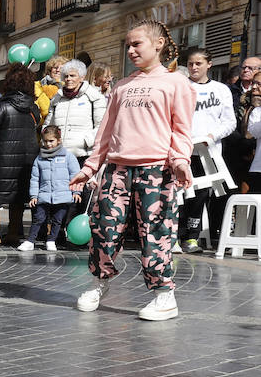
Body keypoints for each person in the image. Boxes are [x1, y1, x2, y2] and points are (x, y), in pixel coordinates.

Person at [70, 20, 195, 321]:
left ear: (159, 44)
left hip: (156, 171)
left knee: (157, 232)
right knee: (104, 230)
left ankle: (164, 295)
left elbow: (182, 129)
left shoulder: (177, 83)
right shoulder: (122, 86)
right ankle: (99, 283)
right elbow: (105, 131)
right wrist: (90, 168)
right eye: (128, 45)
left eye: (136, 44)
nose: (130, 50)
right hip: (116, 169)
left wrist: (180, 161)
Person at [178, 47, 236, 254]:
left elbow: (230, 122)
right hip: (182, 151)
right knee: (179, 194)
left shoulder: (221, 90)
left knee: (201, 194)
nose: (194, 67)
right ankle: (176, 236)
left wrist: (212, 136)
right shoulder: (181, 86)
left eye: (198, 63)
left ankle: (192, 238)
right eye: (191, 64)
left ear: (209, 65)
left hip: (209, 152)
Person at [0, 65, 41, 247]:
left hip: (2, 159)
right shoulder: (33, 107)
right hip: (27, 159)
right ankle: (13, 233)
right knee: (18, 197)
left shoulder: (4, 104)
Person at [18, 126, 80, 252]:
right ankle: (30, 241)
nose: (48, 144)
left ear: (59, 140)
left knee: (57, 220)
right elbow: (35, 178)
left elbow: (75, 176)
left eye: (51, 141)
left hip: (63, 196)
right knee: (38, 218)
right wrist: (34, 196)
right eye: (45, 141)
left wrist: (76, 192)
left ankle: (51, 240)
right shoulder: (39, 158)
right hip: (44, 195)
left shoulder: (68, 157)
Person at [45, 59, 107, 168]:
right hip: (58, 155)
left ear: (82, 77)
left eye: (72, 76)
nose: (68, 79)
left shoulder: (93, 96)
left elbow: (102, 126)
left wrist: (86, 142)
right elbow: (48, 125)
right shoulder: (57, 98)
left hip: (82, 156)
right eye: (66, 76)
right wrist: (47, 142)